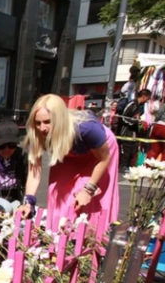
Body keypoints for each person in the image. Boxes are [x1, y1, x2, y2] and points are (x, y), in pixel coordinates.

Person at [18, 93, 119, 238]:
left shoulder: (86, 128)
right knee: (57, 193)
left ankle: (90, 241)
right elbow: (34, 171)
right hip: (67, 151)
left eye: (47, 122)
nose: (42, 128)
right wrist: (29, 201)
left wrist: (88, 189)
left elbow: (104, 158)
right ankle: (57, 239)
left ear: (59, 120)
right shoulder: (37, 133)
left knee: (85, 200)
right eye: (38, 123)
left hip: (99, 154)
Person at [0, 119, 27, 213]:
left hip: (15, 203)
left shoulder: (21, 157)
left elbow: (27, 184)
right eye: (2, 146)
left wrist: (24, 203)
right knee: (7, 206)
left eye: (12, 145)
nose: (7, 150)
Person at [117, 89, 152, 171]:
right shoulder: (132, 104)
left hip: (135, 133)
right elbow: (123, 118)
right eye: (148, 98)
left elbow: (136, 118)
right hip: (126, 132)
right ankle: (123, 167)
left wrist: (140, 123)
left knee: (133, 150)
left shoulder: (140, 106)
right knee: (126, 150)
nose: (147, 100)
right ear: (144, 97)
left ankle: (129, 166)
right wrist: (135, 122)